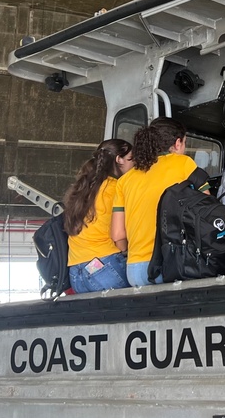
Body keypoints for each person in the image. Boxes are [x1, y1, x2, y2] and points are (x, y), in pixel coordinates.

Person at [111, 118, 204, 286]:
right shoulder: (183, 163)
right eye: (184, 144)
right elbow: (207, 207)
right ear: (177, 143)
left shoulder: (125, 181)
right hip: (173, 262)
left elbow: (118, 235)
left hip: (135, 269)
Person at [64, 139, 134, 293]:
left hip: (76, 273)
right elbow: (119, 237)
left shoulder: (84, 188)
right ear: (119, 160)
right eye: (131, 158)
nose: (134, 163)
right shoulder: (116, 188)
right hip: (104, 266)